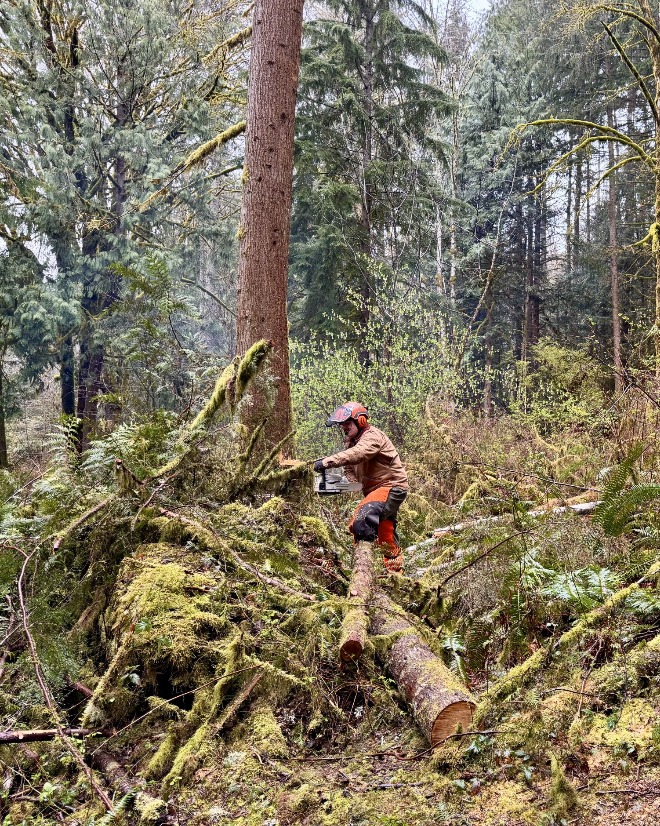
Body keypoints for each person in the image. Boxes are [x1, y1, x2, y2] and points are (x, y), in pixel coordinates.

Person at [314, 402, 409, 573]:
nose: (344, 427)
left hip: (391, 486)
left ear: (361, 421)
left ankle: (363, 570)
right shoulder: (351, 443)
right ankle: (395, 575)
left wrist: (326, 462)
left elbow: (359, 453)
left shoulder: (372, 437)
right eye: (342, 424)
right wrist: (336, 484)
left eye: (347, 423)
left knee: (362, 520)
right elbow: (350, 470)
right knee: (385, 533)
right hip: (374, 492)